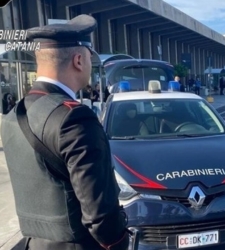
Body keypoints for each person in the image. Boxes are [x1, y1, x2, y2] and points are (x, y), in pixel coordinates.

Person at [0, 15, 130, 250]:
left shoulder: (13, 116)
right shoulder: (74, 118)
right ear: (79, 60)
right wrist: (120, 241)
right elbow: (100, 217)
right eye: (90, 58)